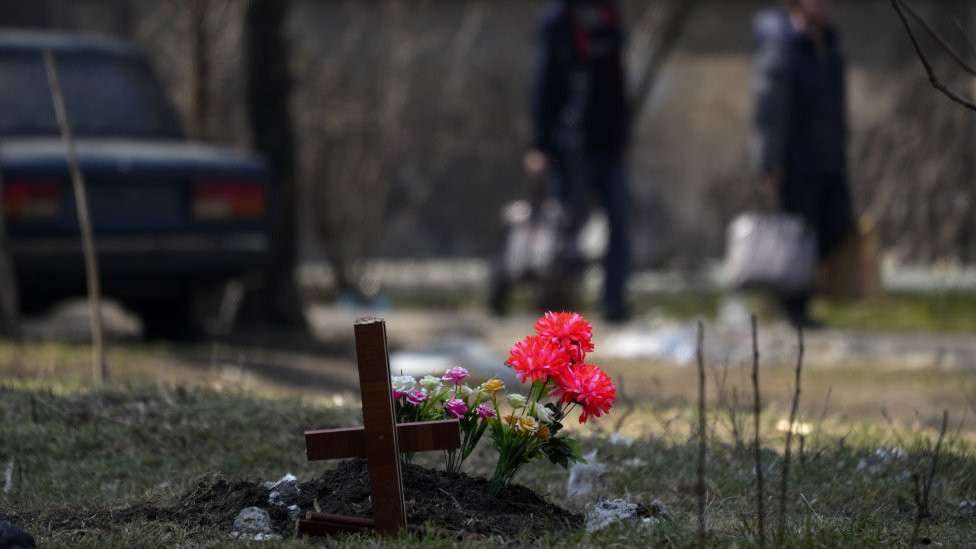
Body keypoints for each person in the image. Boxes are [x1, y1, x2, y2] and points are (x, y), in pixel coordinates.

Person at [524, 0, 632, 322]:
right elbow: (543, 85)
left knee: (619, 225)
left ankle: (614, 303)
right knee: (566, 229)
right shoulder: (558, 22)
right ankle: (556, 306)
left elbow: (618, 85)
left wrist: (623, 136)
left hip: (609, 145)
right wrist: (540, 144)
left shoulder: (611, 18)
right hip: (570, 147)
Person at [754, 0, 854, 328]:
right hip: (796, 162)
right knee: (798, 239)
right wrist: (769, 162)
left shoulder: (831, 47)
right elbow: (770, 108)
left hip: (829, 160)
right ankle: (794, 310)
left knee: (837, 227)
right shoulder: (783, 45)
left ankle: (800, 300)